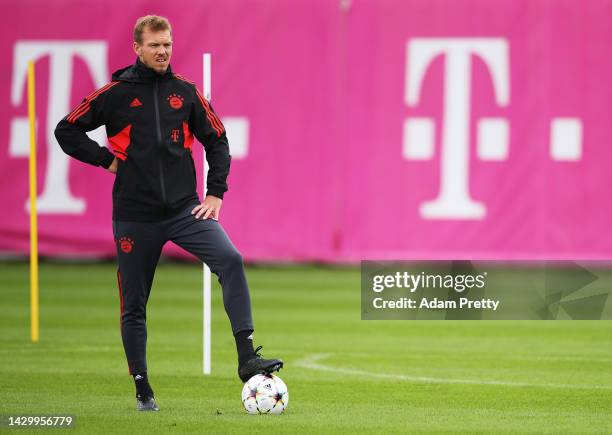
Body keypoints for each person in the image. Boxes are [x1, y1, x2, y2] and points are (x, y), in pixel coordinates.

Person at [54, 14, 282, 412]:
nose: (162, 51)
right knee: (134, 305)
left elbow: (218, 140)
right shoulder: (115, 93)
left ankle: (247, 358)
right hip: (134, 216)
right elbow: (66, 129)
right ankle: (143, 389)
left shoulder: (186, 92)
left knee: (230, 259)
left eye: (167, 45)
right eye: (155, 45)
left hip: (183, 210)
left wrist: (215, 194)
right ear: (137, 48)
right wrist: (105, 160)